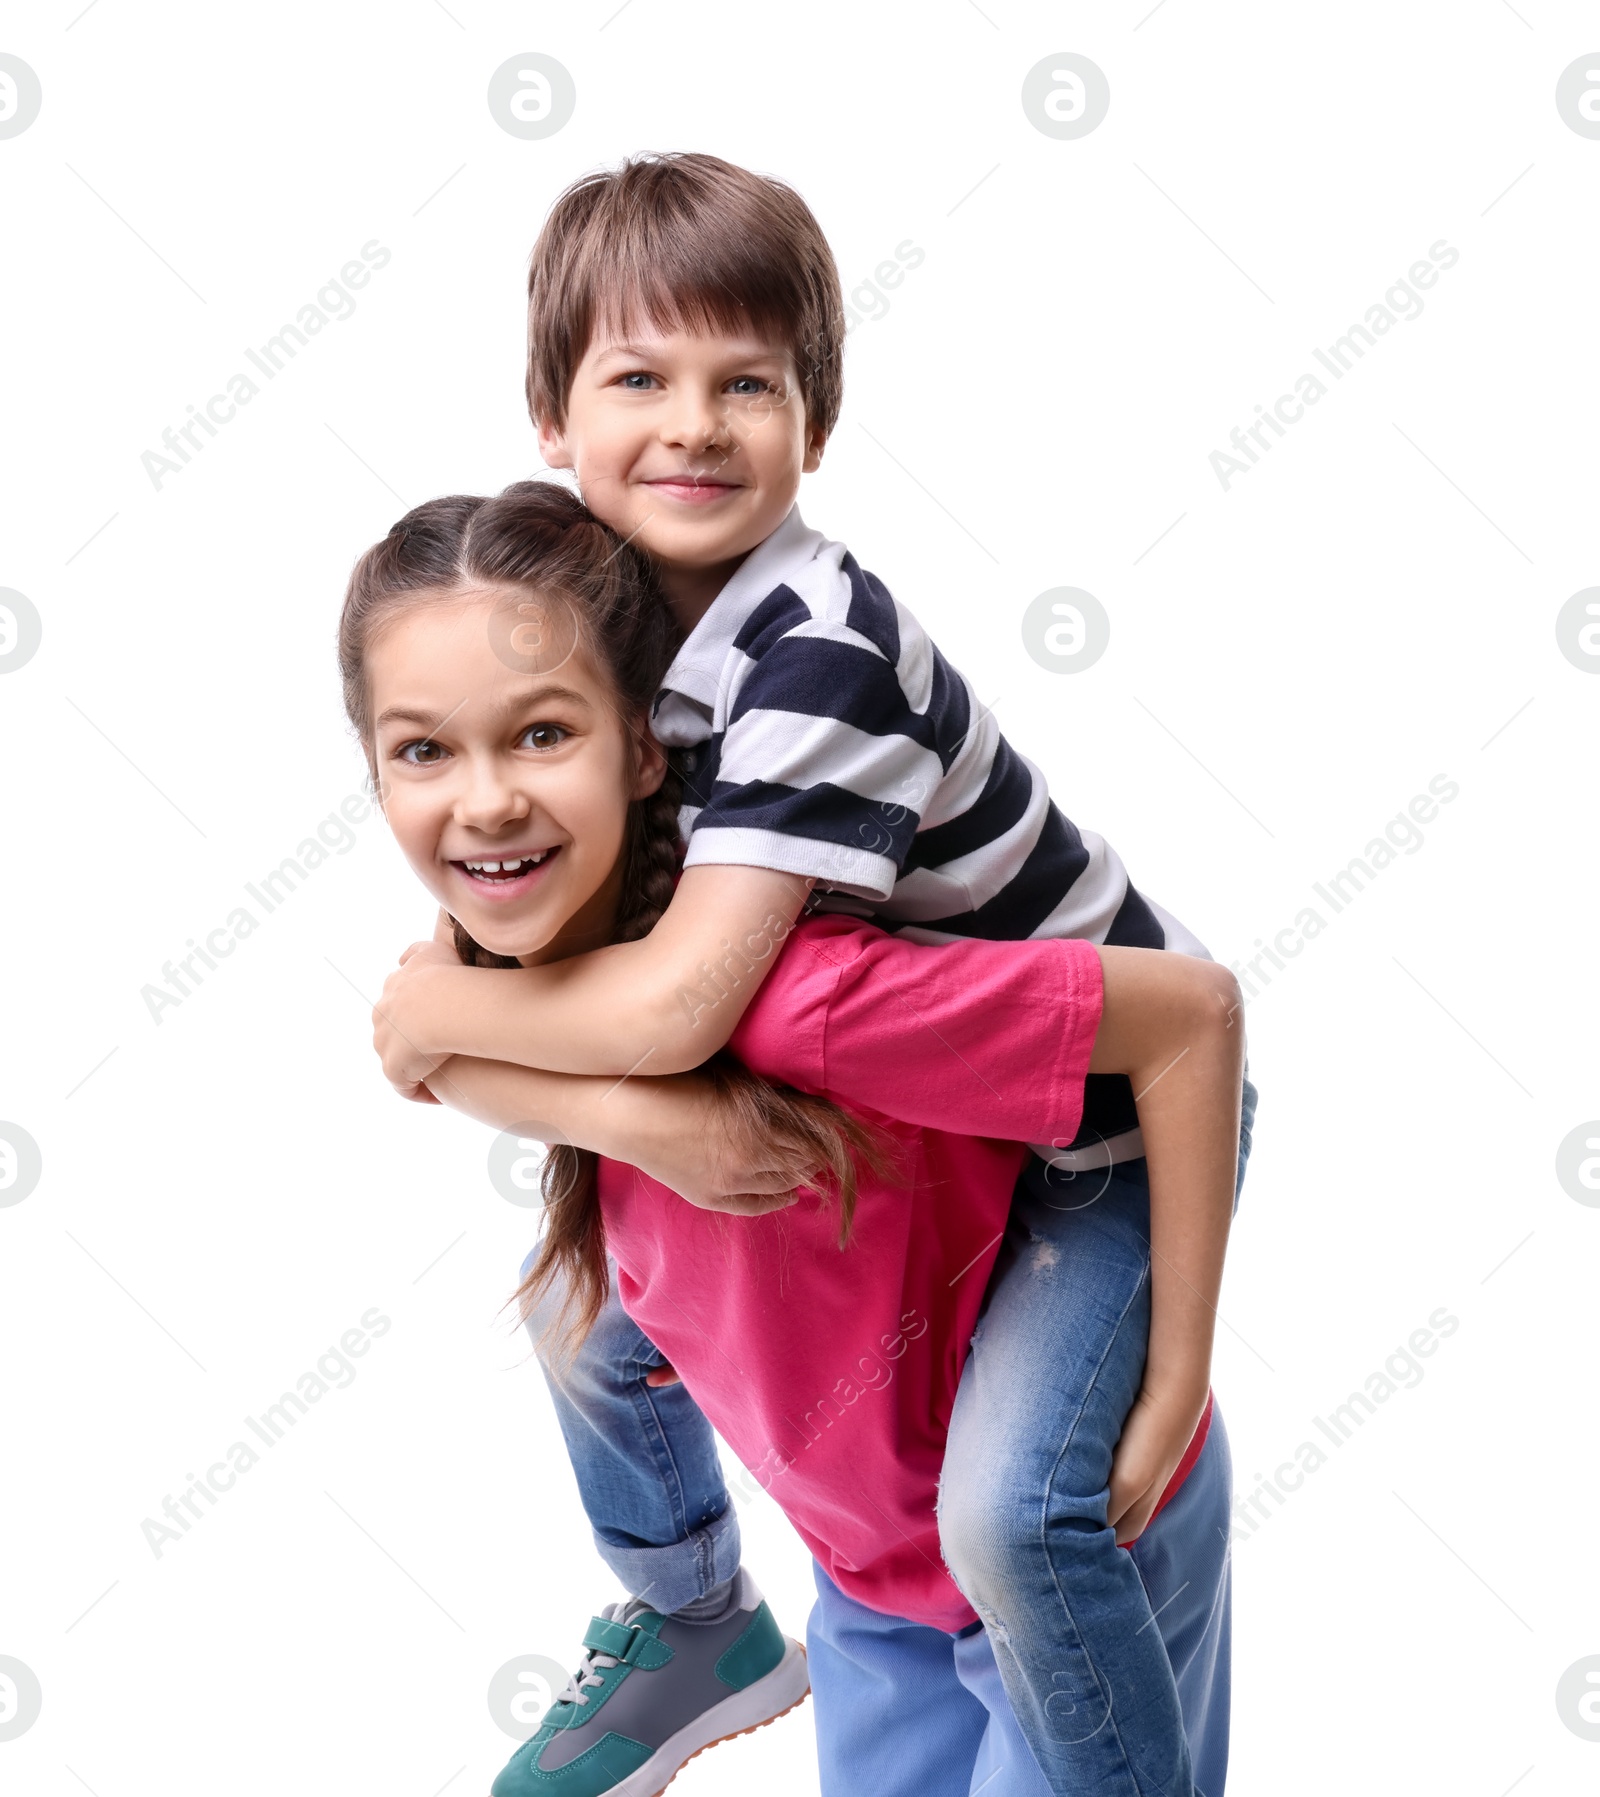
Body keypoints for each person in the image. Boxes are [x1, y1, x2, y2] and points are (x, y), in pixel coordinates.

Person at [343, 480, 1252, 1796]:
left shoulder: (806, 999)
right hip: (876, 1601)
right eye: (424, 750)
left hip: (1061, 1569)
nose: (485, 802)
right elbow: (429, 1055)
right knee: (573, 1310)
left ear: (645, 743)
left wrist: (1173, 1375)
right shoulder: (496, 1018)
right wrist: (643, 1123)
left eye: (542, 733)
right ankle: (697, 1617)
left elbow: (1189, 1018)